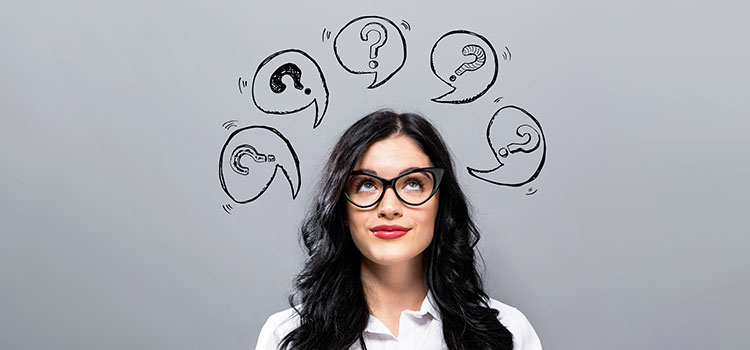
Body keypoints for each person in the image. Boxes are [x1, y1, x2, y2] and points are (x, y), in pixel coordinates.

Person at [255, 109, 542, 350]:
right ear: (341, 208)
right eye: (366, 184)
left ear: (441, 204)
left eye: (413, 183)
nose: (389, 207)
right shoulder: (286, 338)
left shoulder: (509, 332)